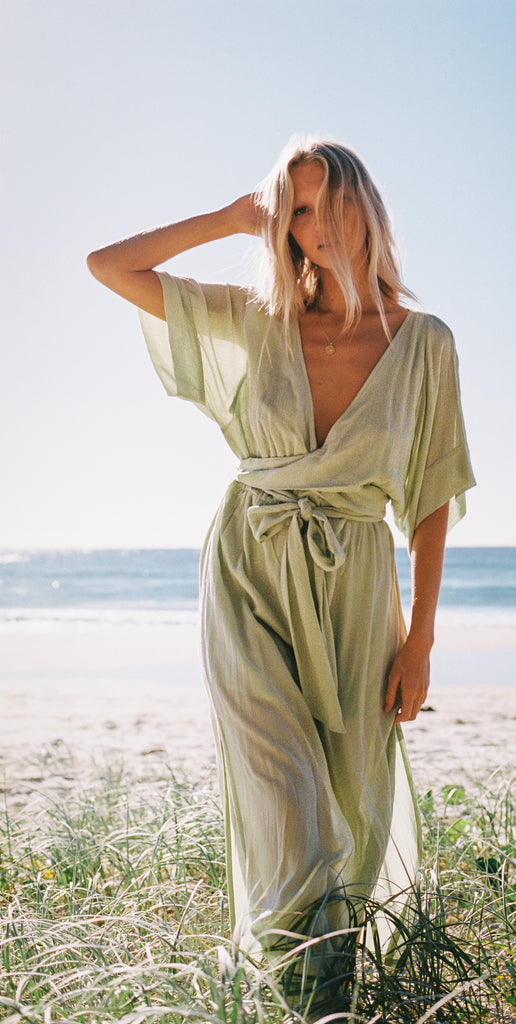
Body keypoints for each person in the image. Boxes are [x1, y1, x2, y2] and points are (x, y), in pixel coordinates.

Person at [87, 136, 475, 1017]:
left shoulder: (425, 345)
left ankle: (315, 987)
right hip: (249, 574)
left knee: (349, 812)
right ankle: (308, 1006)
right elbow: (107, 264)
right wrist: (228, 219)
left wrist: (418, 641)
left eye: (331, 201)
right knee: (289, 801)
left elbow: (430, 499)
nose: (318, 223)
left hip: (355, 591)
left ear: (365, 206)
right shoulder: (252, 322)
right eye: (296, 208)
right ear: (281, 224)